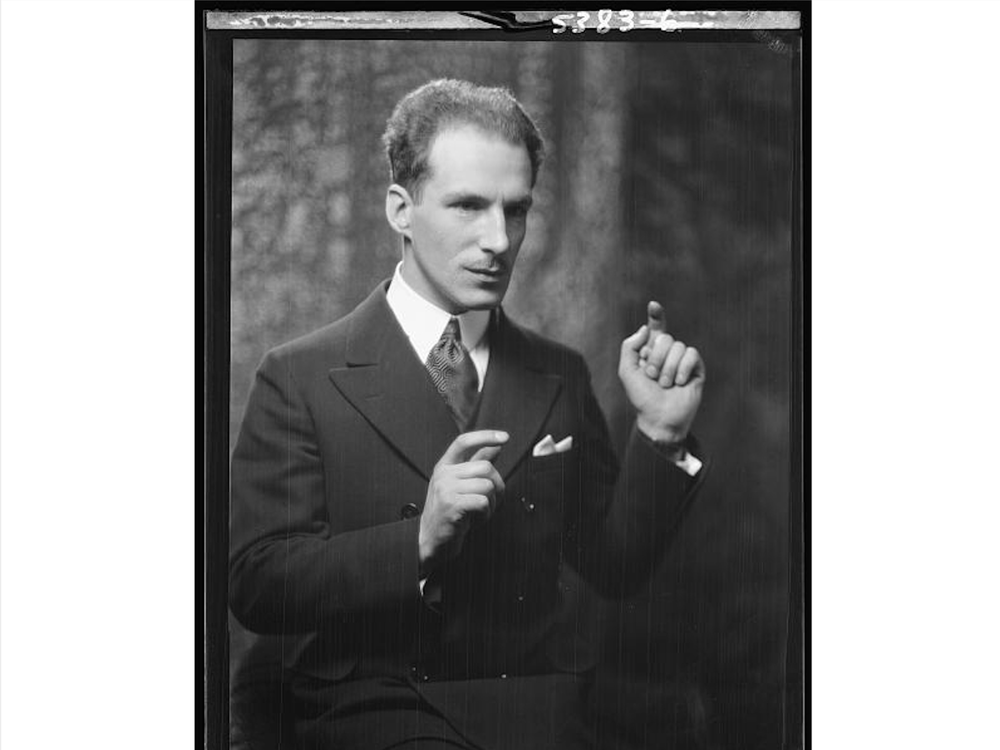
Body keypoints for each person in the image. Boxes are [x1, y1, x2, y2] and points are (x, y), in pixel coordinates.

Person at [229, 79, 708, 750]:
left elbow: (614, 566)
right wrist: (418, 539)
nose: (498, 239)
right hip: (372, 710)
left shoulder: (558, 372)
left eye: (516, 210)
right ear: (401, 208)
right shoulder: (300, 375)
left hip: (538, 712)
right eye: (467, 207)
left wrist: (661, 432)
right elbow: (256, 585)